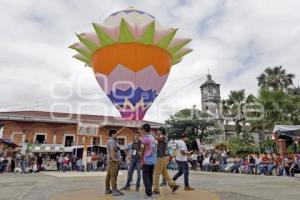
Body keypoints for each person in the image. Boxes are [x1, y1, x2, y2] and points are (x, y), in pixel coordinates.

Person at [153, 127, 179, 195]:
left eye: (158, 130)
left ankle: (156, 189)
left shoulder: (163, 137)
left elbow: (156, 139)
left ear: (161, 131)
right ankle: (173, 185)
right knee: (165, 173)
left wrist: (156, 136)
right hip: (163, 158)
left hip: (161, 157)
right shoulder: (163, 137)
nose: (157, 131)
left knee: (156, 173)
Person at [105, 129, 124, 196]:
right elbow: (112, 150)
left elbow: (116, 150)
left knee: (109, 175)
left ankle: (107, 189)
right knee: (114, 175)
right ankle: (114, 190)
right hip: (113, 161)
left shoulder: (114, 141)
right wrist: (114, 159)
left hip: (112, 160)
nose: (117, 135)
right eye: (116, 134)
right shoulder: (111, 141)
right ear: (113, 134)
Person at [141, 123, 157, 198]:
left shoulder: (144, 139)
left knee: (145, 176)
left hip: (146, 159)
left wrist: (141, 160)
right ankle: (150, 191)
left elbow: (142, 150)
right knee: (150, 176)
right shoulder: (153, 138)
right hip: (153, 160)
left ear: (144, 130)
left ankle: (148, 193)